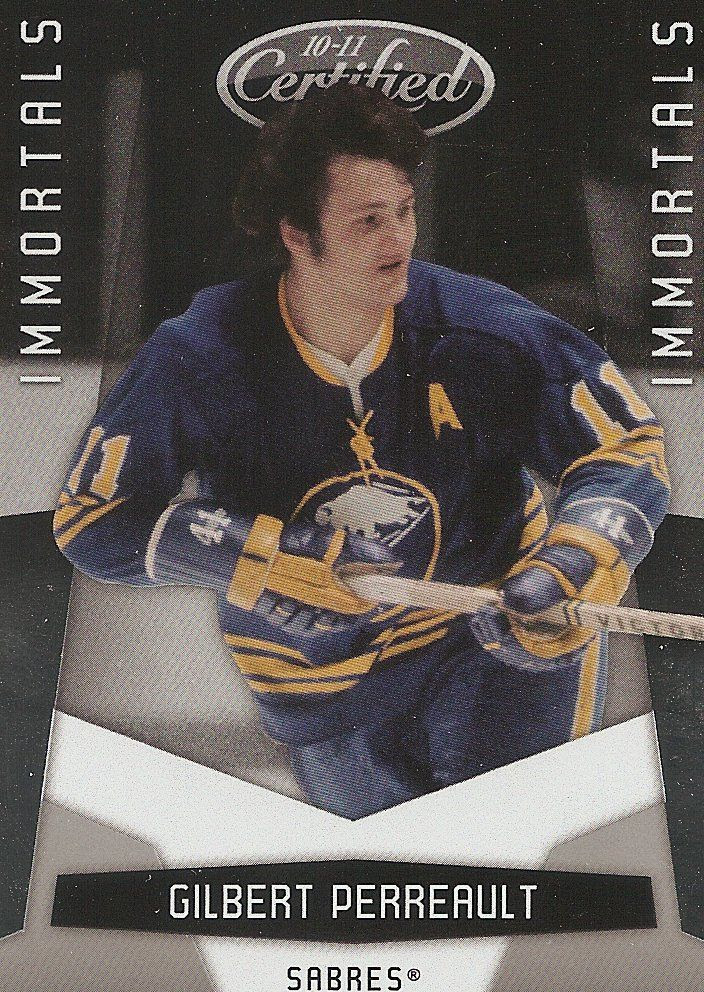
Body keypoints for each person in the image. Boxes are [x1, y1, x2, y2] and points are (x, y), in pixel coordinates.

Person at [54, 86, 670, 819]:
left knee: (511, 853)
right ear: (296, 234)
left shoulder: (480, 326)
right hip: (317, 685)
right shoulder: (199, 354)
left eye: (404, 211)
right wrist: (246, 555)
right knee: (392, 878)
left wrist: (574, 560)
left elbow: (626, 444)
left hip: (494, 645)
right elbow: (91, 519)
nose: (399, 239)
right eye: (369, 220)